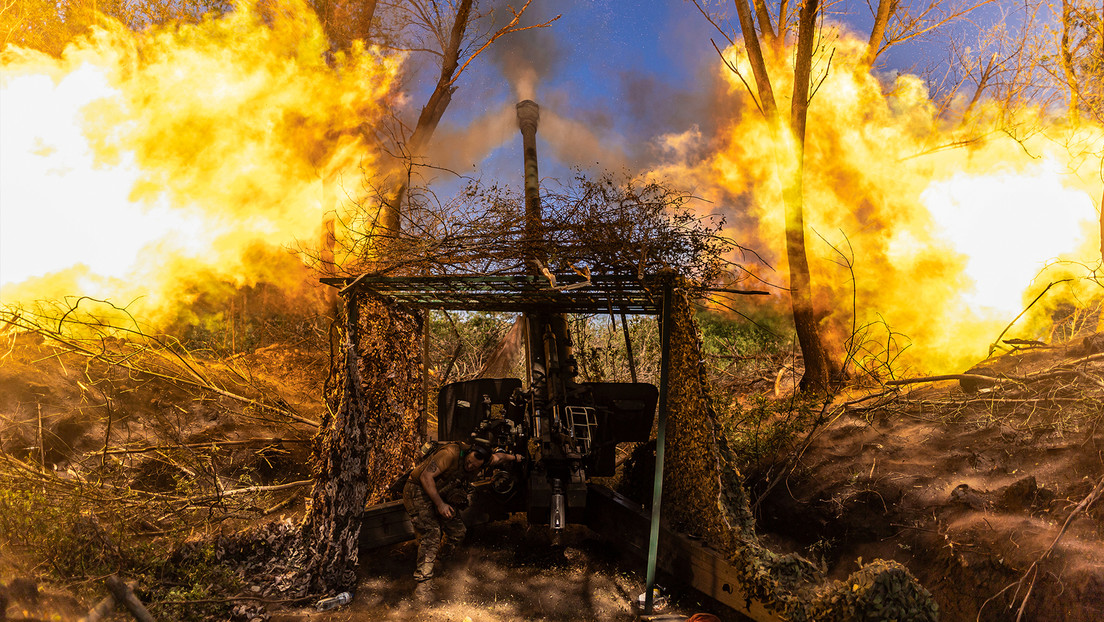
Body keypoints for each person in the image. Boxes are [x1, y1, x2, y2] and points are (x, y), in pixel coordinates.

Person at [403, 439, 522, 602]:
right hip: (418, 490)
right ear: (467, 454)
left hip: (441, 493)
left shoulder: (485, 460)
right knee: (431, 534)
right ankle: (422, 586)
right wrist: (440, 505)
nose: (470, 467)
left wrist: (515, 458)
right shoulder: (450, 453)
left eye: (475, 466)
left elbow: (499, 457)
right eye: (468, 463)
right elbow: (426, 477)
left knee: (458, 532)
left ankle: (437, 563)